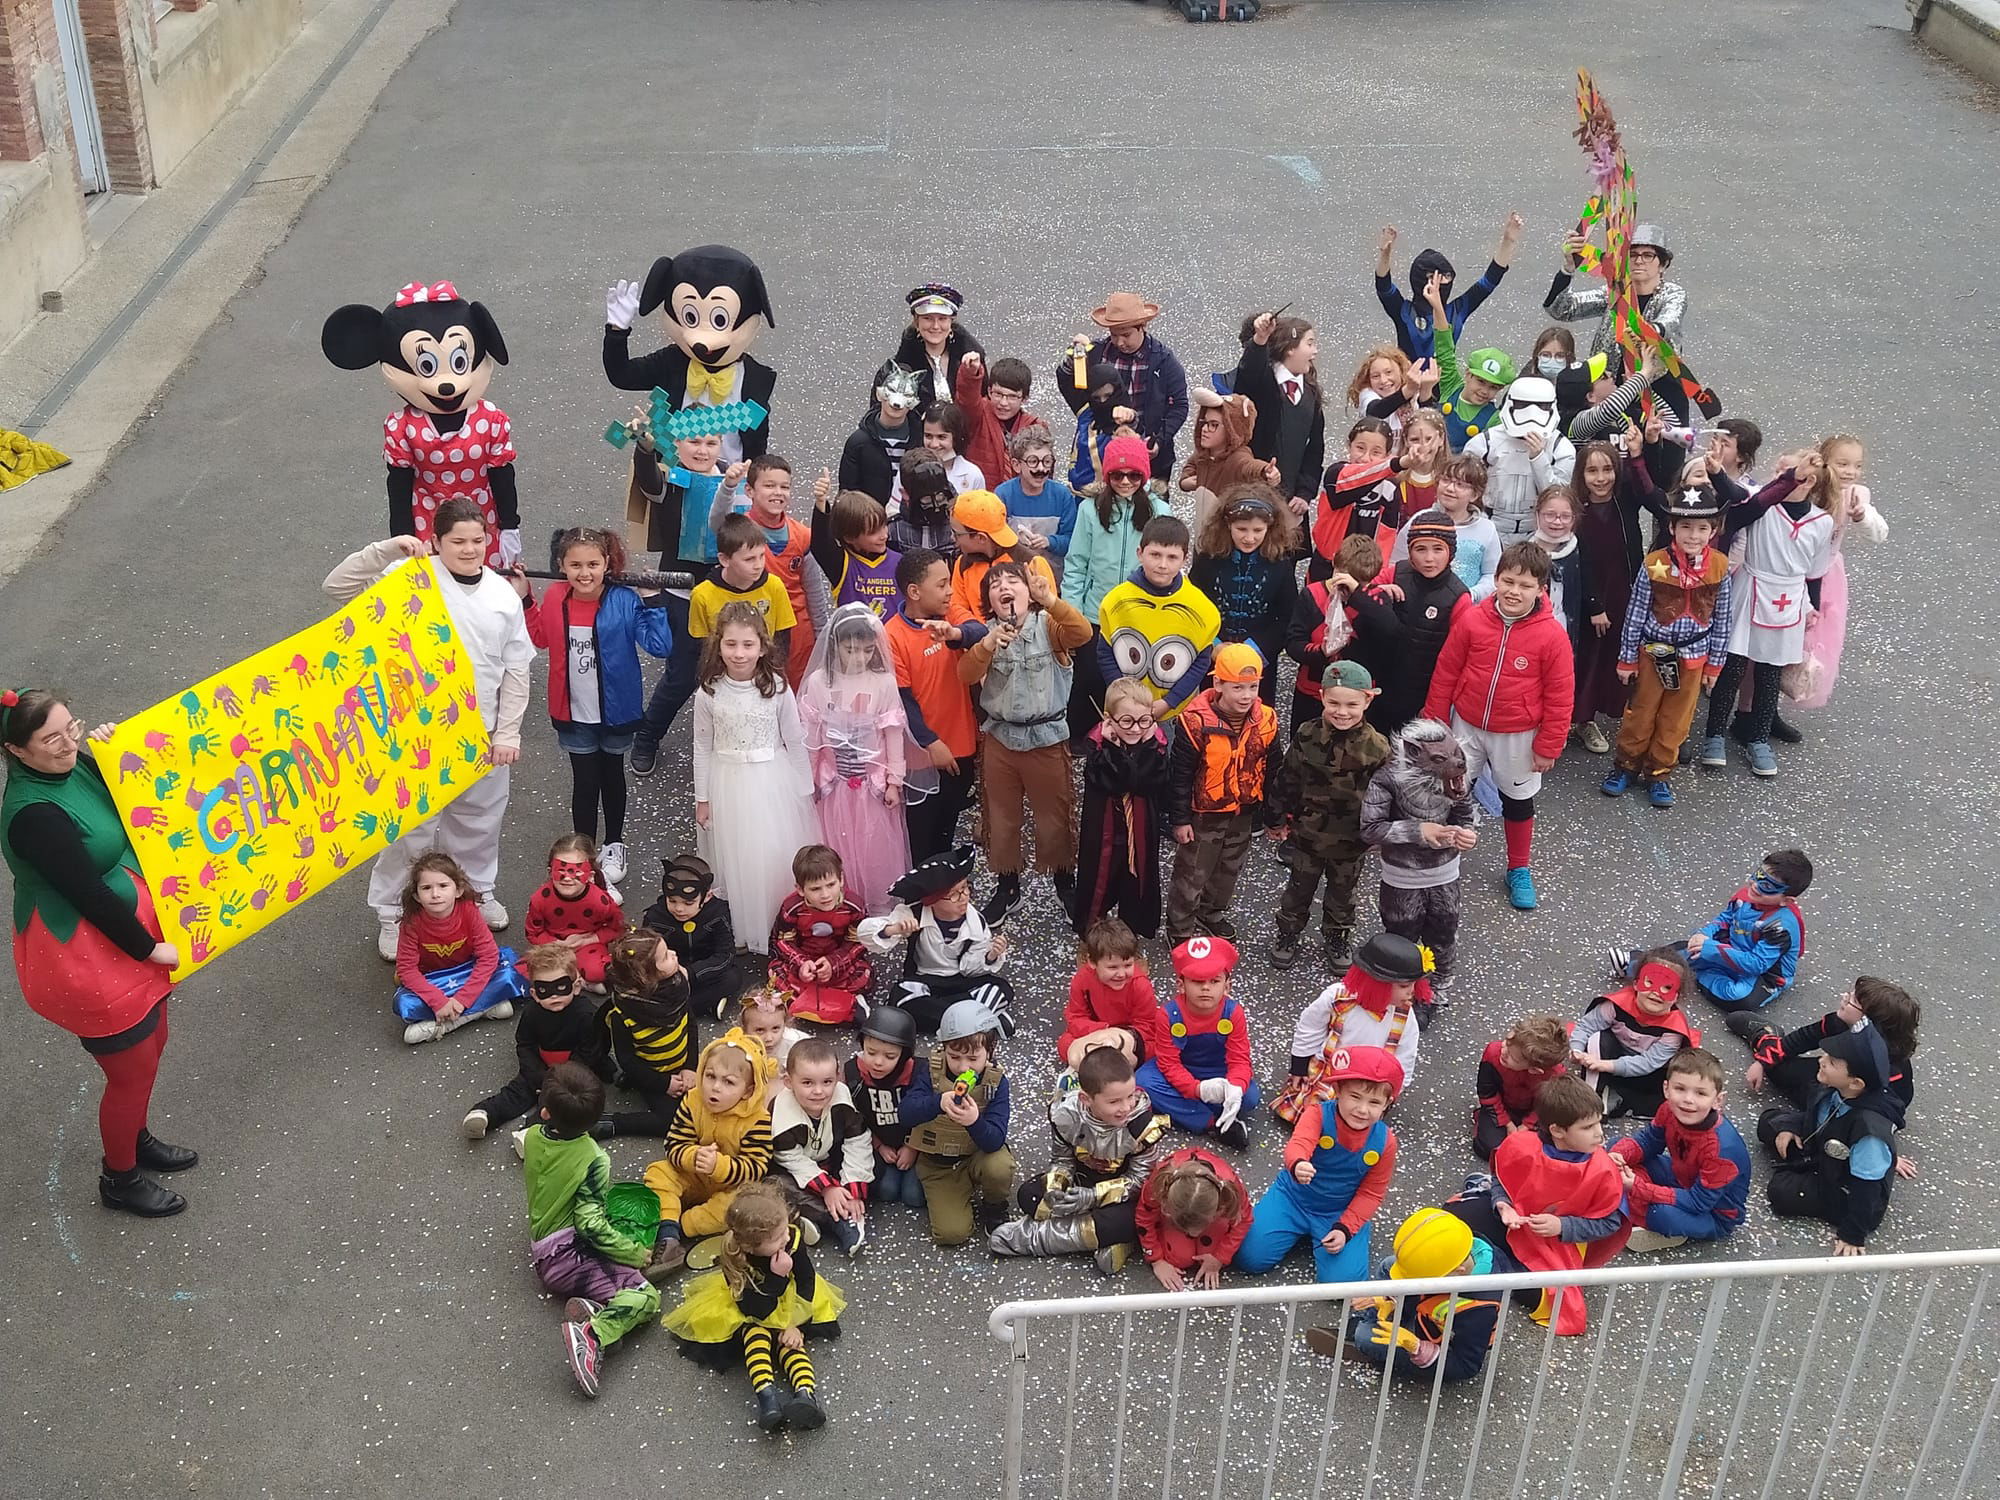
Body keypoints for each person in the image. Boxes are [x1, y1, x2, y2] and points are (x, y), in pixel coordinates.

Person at [1, 689, 194, 1216]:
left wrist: (116, 751)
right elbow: (85, 891)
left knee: (153, 1041)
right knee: (130, 1069)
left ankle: (136, 1136)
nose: (68, 744)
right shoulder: (33, 814)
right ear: (17, 752)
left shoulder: (71, 766)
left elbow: (124, 798)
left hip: (120, 939)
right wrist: (149, 949)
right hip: (86, 954)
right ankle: (120, 1178)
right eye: (52, 738)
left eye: (73, 728)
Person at [324, 510, 529, 958]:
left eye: (478, 540)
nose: (471, 550)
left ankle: (475, 893)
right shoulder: (408, 578)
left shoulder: (502, 595)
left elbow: (517, 668)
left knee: (479, 821)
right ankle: (392, 913)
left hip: (482, 734)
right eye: (458, 541)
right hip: (415, 736)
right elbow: (336, 588)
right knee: (411, 830)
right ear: (435, 541)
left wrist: (507, 732)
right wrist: (384, 551)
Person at [514, 525, 672, 889]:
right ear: (561, 565)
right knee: (584, 782)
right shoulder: (554, 597)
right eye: (575, 565)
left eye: (593, 564)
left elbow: (660, 645)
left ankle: (614, 844)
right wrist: (525, 600)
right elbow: (538, 637)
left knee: (611, 776)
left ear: (607, 563)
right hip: (572, 709)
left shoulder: (624, 599)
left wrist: (652, 600)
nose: (585, 573)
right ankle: (582, 849)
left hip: (616, 709)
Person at [1421, 541, 1575, 911]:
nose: (1514, 592)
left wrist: (1549, 745)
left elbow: (1560, 694)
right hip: (1467, 725)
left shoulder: (1552, 634)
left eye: (1525, 586)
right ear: (1496, 580)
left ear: (1541, 589)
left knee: (1517, 801)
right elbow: (1446, 670)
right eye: (1508, 582)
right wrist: (1434, 721)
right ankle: (1441, 857)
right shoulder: (1473, 619)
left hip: (1519, 734)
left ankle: (1518, 868)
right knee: (1451, 792)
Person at [957, 559, 1092, 923]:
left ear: (1028, 591)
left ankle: (1065, 883)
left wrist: (1051, 600)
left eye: (1012, 580)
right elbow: (965, 674)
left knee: (1055, 816)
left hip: (1047, 737)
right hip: (1001, 739)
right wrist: (987, 645)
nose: (1003, 587)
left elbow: (1082, 634)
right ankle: (1008, 888)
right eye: (994, 583)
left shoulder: (1050, 625)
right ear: (989, 599)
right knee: (1001, 819)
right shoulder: (986, 633)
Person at [522, 1061, 660, 1399]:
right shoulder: (593, 1159)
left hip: (543, 1240)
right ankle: (592, 1336)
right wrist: (633, 1252)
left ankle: (596, 1305)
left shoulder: (535, 1136)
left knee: (619, 1282)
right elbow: (590, 1225)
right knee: (646, 1298)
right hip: (566, 1256)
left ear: (545, 1111)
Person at [661, 1180, 842, 1432]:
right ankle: (767, 1397)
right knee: (755, 1334)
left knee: (790, 1342)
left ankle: (805, 1394)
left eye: (784, 1231)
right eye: (777, 1238)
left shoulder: (791, 1238)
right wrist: (777, 1277)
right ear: (750, 1245)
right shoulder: (735, 1257)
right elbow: (753, 1309)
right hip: (753, 1303)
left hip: (792, 1299)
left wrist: (794, 1324)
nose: (786, 1237)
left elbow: (806, 1281)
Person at [692, 602, 819, 953]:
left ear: (762, 646)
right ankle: (747, 933)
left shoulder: (776, 687)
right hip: (727, 782)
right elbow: (702, 745)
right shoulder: (709, 691)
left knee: (770, 855)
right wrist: (702, 798)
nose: (739, 653)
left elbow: (794, 738)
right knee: (737, 859)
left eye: (747, 645)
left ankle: (778, 929)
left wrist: (803, 788)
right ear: (718, 645)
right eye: (730, 644)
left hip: (770, 782)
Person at [1456, 1076, 1627, 1335]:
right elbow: (1503, 1180)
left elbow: (1610, 1223)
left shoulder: (1603, 1171)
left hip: (1555, 1245)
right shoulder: (1523, 1145)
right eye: (1588, 1127)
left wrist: (1562, 1226)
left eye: (1598, 1123)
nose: (1600, 1133)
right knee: (1452, 1218)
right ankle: (1499, 1260)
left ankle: (1494, 1260)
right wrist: (1503, 1206)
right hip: (1515, 1222)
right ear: (1557, 1130)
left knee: (1547, 1300)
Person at [1601, 472, 1733, 807]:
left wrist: (1715, 665)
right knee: (1641, 712)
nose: (1693, 535)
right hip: (1651, 653)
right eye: (1686, 527)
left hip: (1694, 656)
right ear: (1672, 528)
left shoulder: (1720, 567)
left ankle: (1659, 772)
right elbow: (1635, 614)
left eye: (1702, 528)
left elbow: (1722, 620)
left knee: (1677, 719)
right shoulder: (1654, 564)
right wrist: (1627, 658)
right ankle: (1626, 765)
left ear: (1714, 531)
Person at [989, 1045, 1170, 1275]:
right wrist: (1057, 1187)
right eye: (1114, 1102)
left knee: (1134, 1218)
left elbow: (1140, 1180)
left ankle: (1033, 1238)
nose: (1125, 1108)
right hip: (1081, 1182)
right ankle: (1104, 1239)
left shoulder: (1143, 1125)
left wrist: (1092, 1197)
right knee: (1029, 1195)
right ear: (1086, 1099)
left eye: (1130, 1097)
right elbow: (1062, 1160)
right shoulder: (1066, 1114)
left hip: (1120, 1196)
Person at [796, 602, 926, 916]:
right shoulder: (818, 683)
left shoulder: (883, 683)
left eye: (867, 650)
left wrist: (894, 781)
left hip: (872, 785)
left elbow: (893, 735)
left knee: (874, 846)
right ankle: (840, 902)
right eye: (851, 650)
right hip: (833, 783)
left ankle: (876, 904)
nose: (859, 657)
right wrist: (809, 777)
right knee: (836, 843)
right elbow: (811, 737)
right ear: (835, 646)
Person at [1235, 1045, 1403, 1281]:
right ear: (1337, 1090)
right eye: (1355, 1097)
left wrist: (1345, 1228)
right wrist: (1298, 1163)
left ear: (1387, 1104)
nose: (1363, 1109)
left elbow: (1372, 1193)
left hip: (1337, 1212)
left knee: (1343, 1285)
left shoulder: (1385, 1142)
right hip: (1292, 1197)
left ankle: (1348, 1232)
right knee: (1247, 1258)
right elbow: (1299, 1143)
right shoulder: (1317, 1113)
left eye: (1374, 1102)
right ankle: (1293, 1230)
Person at [1265, 660, 1391, 971]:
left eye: (1351, 704)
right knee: (1298, 888)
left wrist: (1381, 833)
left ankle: (1337, 936)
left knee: (1342, 894)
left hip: (1351, 839)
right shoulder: (1307, 735)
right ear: (1321, 697)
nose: (1342, 712)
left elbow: (1385, 795)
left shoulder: (1376, 747)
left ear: (1367, 700)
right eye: (1334, 702)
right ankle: (1288, 933)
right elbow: (1288, 777)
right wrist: (1275, 817)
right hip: (1307, 834)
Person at [620, 426, 731, 776]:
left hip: (727, 592)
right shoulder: (670, 478)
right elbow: (650, 482)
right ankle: (648, 736)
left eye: (711, 443)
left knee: (734, 668)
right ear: (678, 444)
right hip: (681, 592)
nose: (702, 451)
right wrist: (645, 449)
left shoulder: (733, 476)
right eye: (694, 442)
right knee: (682, 675)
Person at [1164, 645, 1280, 944]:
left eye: (1253, 687)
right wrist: (1179, 819)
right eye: (1237, 687)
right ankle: (1180, 928)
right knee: (1192, 873)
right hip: (1204, 814)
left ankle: (1211, 913)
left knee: (1229, 869)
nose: (1246, 696)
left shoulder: (1267, 720)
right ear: (1217, 684)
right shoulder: (1194, 722)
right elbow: (1180, 776)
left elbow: (1274, 769)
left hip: (1243, 811)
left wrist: (1274, 814)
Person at [1758, 1024, 1904, 1255]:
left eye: (1832, 1061)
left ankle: (1804, 1172)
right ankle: (1802, 1163)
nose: (1821, 1060)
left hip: (1845, 1188)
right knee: (1770, 1122)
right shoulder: (1833, 1087)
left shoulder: (1868, 1132)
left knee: (1780, 1191)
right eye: (1825, 1055)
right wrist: (1789, 1128)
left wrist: (1853, 1234)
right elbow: (1814, 1117)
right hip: (1825, 1148)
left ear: (1856, 1083)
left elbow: (1867, 1188)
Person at [640, 1030, 773, 1280]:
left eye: (729, 1082)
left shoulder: (758, 1119)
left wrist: (720, 1166)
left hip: (730, 1186)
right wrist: (692, 1155)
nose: (715, 1087)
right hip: (694, 1177)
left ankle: (679, 1227)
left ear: (747, 1091)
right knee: (658, 1171)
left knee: (740, 1208)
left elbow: (757, 1167)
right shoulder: (693, 1100)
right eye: (710, 1076)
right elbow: (674, 1144)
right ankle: (668, 1236)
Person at [1610, 849, 1812, 1012]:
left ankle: (1694, 973)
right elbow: (1724, 920)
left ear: (1787, 900)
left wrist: (1712, 949)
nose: (1756, 885)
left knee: (1740, 999)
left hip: (1762, 975)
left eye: (1768, 886)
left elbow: (1757, 964)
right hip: (1732, 950)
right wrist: (1705, 935)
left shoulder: (1781, 927)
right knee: (1688, 948)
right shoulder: (1746, 895)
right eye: (1758, 875)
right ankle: (1635, 963)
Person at [1317, 1207, 1503, 1383]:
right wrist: (1390, 1299)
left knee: (1364, 1337)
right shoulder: (1463, 1247)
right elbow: (1424, 1292)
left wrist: (1416, 1347)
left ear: (1458, 1271)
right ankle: (1377, 1322)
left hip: (1434, 1345)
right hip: (1425, 1315)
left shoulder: (1480, 1309)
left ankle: (1367, 1342)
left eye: (1422, 1278)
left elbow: (1466, 1366)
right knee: (1390, 1265)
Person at [1361, 717, 1476, 995]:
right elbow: (1371, 829)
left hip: (1445, 873)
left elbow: (1464, 813)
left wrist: (1467, 833)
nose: (1456, 763)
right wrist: (1418, 831)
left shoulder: (1455, 778)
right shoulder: (1387, 779)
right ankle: (1401, 990)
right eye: (1440, 758)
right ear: (1413, 754)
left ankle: (1436, 989)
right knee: (1402, 933)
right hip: (1403, 876)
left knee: (1444, 933)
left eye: (1455, 754)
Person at [885, 549, 986, 861]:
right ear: (915, 591)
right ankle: (919, 900)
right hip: (923, 758)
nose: (950, 591)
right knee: (921, 836)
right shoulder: (892, 635)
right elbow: (903, 700)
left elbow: (979, 632)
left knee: (947, 827)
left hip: (963, 748)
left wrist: (954, 633)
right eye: (941, 585)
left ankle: (943, 897)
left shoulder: (951, 613)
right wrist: (930, 742)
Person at [1571, 431, 1668, 753]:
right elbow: (1580, 561)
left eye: (1608, 469)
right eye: (1592, 471)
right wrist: (1594, 604)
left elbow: (1658, 502)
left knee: (1618, 651)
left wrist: (1639, 456)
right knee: (1587, 655)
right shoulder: (1576, 509)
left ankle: (1613, 709)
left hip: (1623, 586)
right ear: (1581, 474)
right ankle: (1582, 718)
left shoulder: (1624, 497)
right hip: (1590, 593)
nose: (1601, 478)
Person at [1064, 436, 1163, 742]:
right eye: (1117, 475)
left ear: (1144, 476)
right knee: (1089, 678)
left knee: (1135, 682)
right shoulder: (1090, 511)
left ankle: (1134, 736)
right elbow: (1076, 564)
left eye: (1134, 475)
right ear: (1106, 476)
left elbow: (1168, 567)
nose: (1125, 481)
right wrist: (1072, 615)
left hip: (1140, 616)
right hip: (1096, 613)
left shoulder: (1160, 510)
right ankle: (1085, 739)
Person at [858, 844, 1015, 1034]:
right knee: (902, 998)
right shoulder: (913, 913)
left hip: (961, 982)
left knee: (1001, 988)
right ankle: (979, 1018)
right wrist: (894, 929)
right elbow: (865, 934)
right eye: (954, 895)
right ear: (933, 901)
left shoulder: (976, 921)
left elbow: (970, 969)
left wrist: (990, 955)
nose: (964, 897)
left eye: (965, 888)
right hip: (924, 981)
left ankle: (958, 1021)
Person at [1274, 933, 1429, 1122]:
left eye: (1414, 984)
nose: (1411, 991)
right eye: (1404, 985)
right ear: (1378, 983)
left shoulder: (1405, 1016)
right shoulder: (1338, 997)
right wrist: (1299, 1067)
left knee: (1357, 1117)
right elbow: (1310, 1027)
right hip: (1331, 1072)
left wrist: (1393, 1091)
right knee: (1315, 1115)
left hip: (1372, 1083)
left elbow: (1405, 1057)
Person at [1608, 1047, 1750, 1251]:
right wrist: (1619, 1155)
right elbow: (1649, 1141)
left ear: (1717, 1100)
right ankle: (1628, 1201)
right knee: (1616, 1147)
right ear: (1666, 1089)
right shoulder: (1668, 1109)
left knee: (1661, 1214)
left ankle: (1628, 1206)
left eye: (1700, 1093)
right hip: (1681, 1179)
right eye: (1680, 1089)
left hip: (1713, 1214)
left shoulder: (1722, 1150)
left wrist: (1639, 1187)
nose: (1688, 1100)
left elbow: (1698, 1203)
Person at [1545, 222, 1691, 420]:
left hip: (1658, 390)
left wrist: (1647, 330)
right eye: (1632, 255)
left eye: (1648, 255)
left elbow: (1669, 322)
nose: (1639, 261)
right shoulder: (1613, 293)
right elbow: (1561, 309)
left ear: (1663, 264)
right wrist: (1568, 269)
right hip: (1610, 392)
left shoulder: (1672, 293)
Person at [900, 998, 1016, 1247]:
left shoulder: (997, 1083)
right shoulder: (930, 1072)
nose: (964, 1066)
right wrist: (937, 1103)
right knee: (951, 1234)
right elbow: (905, 1115)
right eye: (954, 1057)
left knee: (1000, 1164)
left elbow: (995, 1139)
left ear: (990, 1051)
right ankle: (956, 1194)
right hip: (938, 1164)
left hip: (976, 1155)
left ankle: (994, 1205)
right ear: (943, 1049)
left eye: (973, 1058)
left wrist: (974, 1121)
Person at [1789, 434, 1885, 717]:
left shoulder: (1856, 494)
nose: (1850, 472)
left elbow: (1879, 533)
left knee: (1809, 641)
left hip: (1827, 576)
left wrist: (1861, 516)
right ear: (1824, 461)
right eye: (1842, 463)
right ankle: (1750, 699)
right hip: (1792, 572)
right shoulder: (1810, 486)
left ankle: (1778, 701)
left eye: (1857, 465)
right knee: (1778, 638)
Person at [462, 942, 597, 1141]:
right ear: (534, 993)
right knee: (518, 1090)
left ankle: (534, 1134)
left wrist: (557, 1078)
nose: (554, 996)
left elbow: (590, 1052)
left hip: (575, 1073)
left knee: (559, 1102)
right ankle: (485, 1114)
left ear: (576, 986)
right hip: (541, 1064)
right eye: (545, 990)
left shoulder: (586, 1014)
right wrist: (535, 1072)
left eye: (561, 987)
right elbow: (525, 1043)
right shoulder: (532, 1013)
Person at [1135, 936, 1257, 1149]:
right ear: (1181, 985)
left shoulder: (1234, 1013)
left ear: (1227, 986)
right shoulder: (1168, 1014)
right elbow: (1168, 1063)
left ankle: (1189, 1109)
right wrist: (1197, 1089)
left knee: (1250, 1097)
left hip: (1218, 1071)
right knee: (1143, 1082)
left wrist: (1235, 1086)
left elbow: (1240, 1059)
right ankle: (1210, 1123)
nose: (1206, 988)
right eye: (1197, 981)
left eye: (1214, 981)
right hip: (1180, 1071)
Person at [1072, 678, 1172, 939]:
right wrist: (1117, 751)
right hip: (1104, 826)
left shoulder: (1155, 744)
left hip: (1139, 828)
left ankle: (1131, 930)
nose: (1136, 729)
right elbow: (1117, 782)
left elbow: (1151, 783)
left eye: (1144, 721)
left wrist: (1147, 748)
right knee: (1099, 879)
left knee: (1136, 878)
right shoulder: (1096, 745)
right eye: (1126, 721)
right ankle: (1093, 928)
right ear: (1109, 719)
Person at [1058, 290, 1190, 486]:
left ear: (1142, 327)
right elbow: (1069, 384)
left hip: (1147, 451)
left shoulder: (1164, 360)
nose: (1120, 342)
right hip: (1101, 452)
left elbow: (1179, 406)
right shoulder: (1096, 353)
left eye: (1126, 335)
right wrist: (1074, 356)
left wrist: (1159, 440)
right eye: (1114, 335)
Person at [1732, 974, 1919, 1113]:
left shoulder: (1888, 1066)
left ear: (1869, 1020)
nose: (1844, 998)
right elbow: (1804, 1038)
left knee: (1820, 1112)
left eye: (1853, 1001)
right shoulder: (1840, 1021)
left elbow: (1890, 1106)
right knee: (1778, 1069)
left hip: (1863, 1099)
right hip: (1837, 1075)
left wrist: (1885, 1149)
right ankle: (1764, 1035)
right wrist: (1763, 1062)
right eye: (1850, 994)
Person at [391, 852, 524, 1044]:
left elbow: (488, 956)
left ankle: (445, 1023)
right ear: (417, 896)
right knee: (404, 1003)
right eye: (426, 888)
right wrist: (439, 1002)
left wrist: (462, 1000)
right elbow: (406, 969)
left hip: (468, 970)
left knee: (511, 970)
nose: (435, 894)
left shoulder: (469, 910)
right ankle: (485, 1008)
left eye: (443, 886)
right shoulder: (412, 923)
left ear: (458, 890)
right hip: (435, 980)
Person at [725, 454, 831, 686]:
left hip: (798, 631)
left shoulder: (802, 535)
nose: (778, 492)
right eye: (769, 485)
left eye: (785, 487)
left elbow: (814, 591)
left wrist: (822, 634)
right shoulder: (737, 532)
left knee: (798, 697)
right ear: (750, 491)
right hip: (753, 628)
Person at [1190, 485, 1298, 708]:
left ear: (1270, 527)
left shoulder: (1280, 563)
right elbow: (1192, 609)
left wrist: (1255, 649)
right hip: (1215, 658)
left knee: (1256, 718)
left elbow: (1287, 617)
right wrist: (1214, 646)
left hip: (1259, 662)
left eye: (1258, 530)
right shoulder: (1208, 559)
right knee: (1212, 714)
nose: (1249, 538)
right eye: (1242, 529)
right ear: (1227, 524)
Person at [588, 928, 698, 1140]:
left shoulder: (677, 988)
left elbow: (690, 1026)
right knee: (673, 1122)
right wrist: (664, 1084)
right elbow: (628, 1060)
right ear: (645, 977)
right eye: (665, 956)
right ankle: (614, 1123)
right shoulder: (624, 1014)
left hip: (683, 1066)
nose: (674, 954)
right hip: (652, 1074)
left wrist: (690, 1067)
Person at [770, 1035, 875, 1253]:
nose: (819, 1091)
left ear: (837, 1078)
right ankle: (836, 1220)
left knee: (874, 1173)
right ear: (789, 1082)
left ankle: (805, 1216)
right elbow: (789, 1158)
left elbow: (858, 1140)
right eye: (807, 1083)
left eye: (827, 1082)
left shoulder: (842, 1100)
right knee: (773, 1185)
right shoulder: (780, 1108)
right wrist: (827, 1189)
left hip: (829, 1161)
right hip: (793, 1170)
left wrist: (851, 1188)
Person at [1572, 947, 1699, 1120]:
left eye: (1667, 987)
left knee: (1663, 1104)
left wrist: (1607, 1065)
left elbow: (1647, 1063)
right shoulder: (1616, 1005)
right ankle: (1589, 1105)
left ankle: (1618, 1097)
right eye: (1650, 982)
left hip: (1646, 1074)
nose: (1656, 992)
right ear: (1636, 982)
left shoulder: (1673, 1030)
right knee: (1597, 1039)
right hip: (1611, 1056)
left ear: (1677, 996)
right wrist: (1576, 1049)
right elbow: (1587, 1026)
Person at [1374, 216, 1524, 359]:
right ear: (1419, 279)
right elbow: (1384, 286)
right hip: (1408, 384)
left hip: (1447, 384)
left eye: (1446, 276)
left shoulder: (1457, 311)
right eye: (1432, 277)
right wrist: (1385, 254)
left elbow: (1489, 281)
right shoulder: (1404, 312)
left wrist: (1508, 241)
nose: (1441, 282)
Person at [1376, 509, 1472, 731]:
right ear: (1410, 552)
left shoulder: (1458, 597)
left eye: (1438, 549)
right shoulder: (1395, 574)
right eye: (1421, 549)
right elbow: (1362, 598)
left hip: (1422, 696)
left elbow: (1455, 661)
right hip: (1381, 685)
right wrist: (1378, 591)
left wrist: (1435, 709)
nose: (1429, 559)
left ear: (1451, 552)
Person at [767, 844, 873, 1025]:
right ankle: (839, 1002)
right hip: (805, 964)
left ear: (841, 879)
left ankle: (799, 1003)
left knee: (865, 973)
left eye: (831, 885)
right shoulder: (792, 907)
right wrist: (801, 964)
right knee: (774, 970)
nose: (825, 895)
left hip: (838, 963)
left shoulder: (854, 905)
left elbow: (859, 941)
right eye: (815, 889)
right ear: (800, 889)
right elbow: (782, 942)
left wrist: (834, 963)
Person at [1464, 381, 1577, 543]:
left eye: (1541, 406)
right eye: (1523, 404)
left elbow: (1558, 498)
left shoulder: (1561, 447)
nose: (1532, 412)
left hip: (1539, 532)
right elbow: (1464, 488)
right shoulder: (1485, 442)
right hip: (1490, 526)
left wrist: (1538, 459)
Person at [1235, 313, 1326, 512]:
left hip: (1292, 505)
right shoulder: (1263, 382)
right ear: (1291, 348)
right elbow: (1248, 374)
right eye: (1309, 344)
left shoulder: (1311, 393)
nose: (1315, 351)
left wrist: (1305, 493)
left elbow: (1315, 449)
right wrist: (1260, 339)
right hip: (1254, 496)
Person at [640, 853, 742, 1021]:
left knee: (732, 978)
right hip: (670, 971)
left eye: (688, 903)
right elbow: (647, 953)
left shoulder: (718, 913)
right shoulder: (656, 916)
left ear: (707, 896)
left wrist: (692, 973)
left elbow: (726, 955)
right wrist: (665, 971)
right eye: (672, 901)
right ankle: (704, 1005)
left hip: (702, 971)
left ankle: (676, 1011)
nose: (679, 909)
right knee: (646, 983)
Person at [1135, 1147, 1252, 1289]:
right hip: (1186, 1207)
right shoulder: (1160, 1184)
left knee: (1205, 1251)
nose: (1193, 1234)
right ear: (1166, 1208)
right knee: (1179, 1257)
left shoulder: (1230, 1188)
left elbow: (1244, 1220)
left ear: (1218, 1210)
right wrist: (1157, 1260)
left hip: (1211, 1209)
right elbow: (1144, 1218)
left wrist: (1219, 1258)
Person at [845, 1006, 926, 1210]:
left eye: (890, 1057)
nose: (878, 1062)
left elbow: (931, 1116)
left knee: (913, 1196)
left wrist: (913, 1147)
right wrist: (878, 1145)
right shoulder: (852, 1073)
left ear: (905, 1056)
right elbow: (853, 1118)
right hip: (879, 1142)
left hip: (917, 1143)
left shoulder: (920, 1073)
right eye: (871, 1052)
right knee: (885, 1191)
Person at [691, 512, 797, 667]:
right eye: (749, 559)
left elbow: (782, 639)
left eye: (762, 556)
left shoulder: (774, 586)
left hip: (765, 675)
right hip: (721, 677)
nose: (758, 565)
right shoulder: (702, 595)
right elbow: (700, 647)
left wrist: (773, 674)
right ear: (724, 560)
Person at [1389, 455, 1499, 600]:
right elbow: (1396, 563)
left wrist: (1469, 595)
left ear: (1475, 494)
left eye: (1460, 485)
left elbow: (1492, 575)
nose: (1450, 488)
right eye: (1446, 480)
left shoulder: (1486, 529)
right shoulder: (1420, 520)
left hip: (1467, 608)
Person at [523, 834, 624, 985]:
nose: (568, 878)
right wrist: (559, 944)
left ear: (590, 876)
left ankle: (574, 978)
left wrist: (586, 941)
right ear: (551, 872)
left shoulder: (600, 902)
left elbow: (617, 928)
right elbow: (533, 933)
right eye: (561, 870)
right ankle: (577, 979)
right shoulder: (540, 899)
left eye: (577, 871)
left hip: (588, 945)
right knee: (527, 974)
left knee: (598, 972)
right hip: (553, 945)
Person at [1427, 278, 1515, 451]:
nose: (1484, 391)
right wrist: (1437, 306)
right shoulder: (1451, 386)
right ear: (1467, 374)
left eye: (1493, 387)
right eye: (1481, 382)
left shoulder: (1494, 419)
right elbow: (1444, 348)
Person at [1057, 917, 1157, 1069]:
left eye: (1128, 965)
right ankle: (1108, 1066)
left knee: (1156, 1047)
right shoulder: (1082, 979)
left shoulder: (1140, 985)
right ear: (1092, 962)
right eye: (1112, 967)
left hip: (1128, 1037)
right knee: (1065, 1044)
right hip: (1096, 1032)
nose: (1121, 974)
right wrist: (1103, 1032)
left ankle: (1095, 1067)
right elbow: (1075, 1018)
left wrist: (1121, 1037)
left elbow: (1147, 1026)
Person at [948, 491, 1059, 621]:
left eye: (956, 534)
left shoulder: (1032, 563)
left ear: (981, 538)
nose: (952, 539)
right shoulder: (962, 564)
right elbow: (957, 610)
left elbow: (1051, 616)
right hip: (981, 639)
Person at [1474, 1014, 1571, 1161]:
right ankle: (1481, 1117)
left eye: (1514, 1058)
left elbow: (1546, 1107)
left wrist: (1527, 1126)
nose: (1504, 1051)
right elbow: (1487, 1093)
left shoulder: (1555, 1076)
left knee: (1546, 1150)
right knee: (1488, 1149)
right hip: (1502, 1107)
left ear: (1534, 1070)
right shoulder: (1493, 1052)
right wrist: (1507, 1123)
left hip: (1536, 1114)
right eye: (1507, 1041)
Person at [1178, 391, 1274, 531]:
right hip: (1201, 538)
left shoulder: (1237, 458)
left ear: (1232, 429)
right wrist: (1186, 481)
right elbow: (1191, 465)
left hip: (1222, 544)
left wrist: (1266, 471)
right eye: (1204, 423)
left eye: (1213, 425)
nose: (1204, 429)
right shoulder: (1204, 454)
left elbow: (1249, 467)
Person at [809, 483, 901, 620]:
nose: (884, 535)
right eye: (873, 532)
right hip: (854, 639)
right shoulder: (843, 565)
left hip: (893, 640)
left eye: (884, 526)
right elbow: (820, 545)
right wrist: (821, 502)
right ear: (850, 537)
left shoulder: (901, 562)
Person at [839, 361, 922, 506]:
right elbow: (848, 494)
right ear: (879, 393)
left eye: (907, 394)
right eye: (892, 390)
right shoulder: (858, 442)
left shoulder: (921, 440)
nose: (897, 402)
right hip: (869, 521)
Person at [992, 421, 1078, 561]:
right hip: (1012, 571)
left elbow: (1073, 541)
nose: (1041, 469)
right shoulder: (1003, 495)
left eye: (1046, 461)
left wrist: (1049, 541)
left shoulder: (1062, 495)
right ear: (1016, 465)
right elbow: (995, 538)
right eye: (1033, 461)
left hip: (1052, 572)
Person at [954, 351, 1038, 492]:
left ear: (1024, 398)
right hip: (980, 500)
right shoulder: (978, 414)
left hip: (1016, 502)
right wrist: (969, 373)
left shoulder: (1034, 428)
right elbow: (966, 398)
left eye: (1012, 396)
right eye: (998, 394)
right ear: (988, 390)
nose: (1003, 403)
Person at [920, 402, 987, 495]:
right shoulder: (911, 470)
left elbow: (981, 508)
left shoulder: (972, 474)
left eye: (942, 437)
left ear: (956, 437)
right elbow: (894, 508)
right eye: (928, 436)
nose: (934, 444)